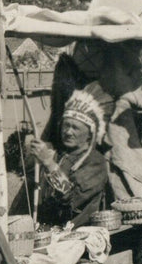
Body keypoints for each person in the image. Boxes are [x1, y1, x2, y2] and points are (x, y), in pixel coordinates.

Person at [30, 90, 108, 228]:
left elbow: (70, 198)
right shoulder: (59, 154)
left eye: (75, 127)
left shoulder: (96, 162)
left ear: (90, 134)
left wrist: (49, 163)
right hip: (47, 229)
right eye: (66, 125)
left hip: (78, 232)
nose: (68, 132)